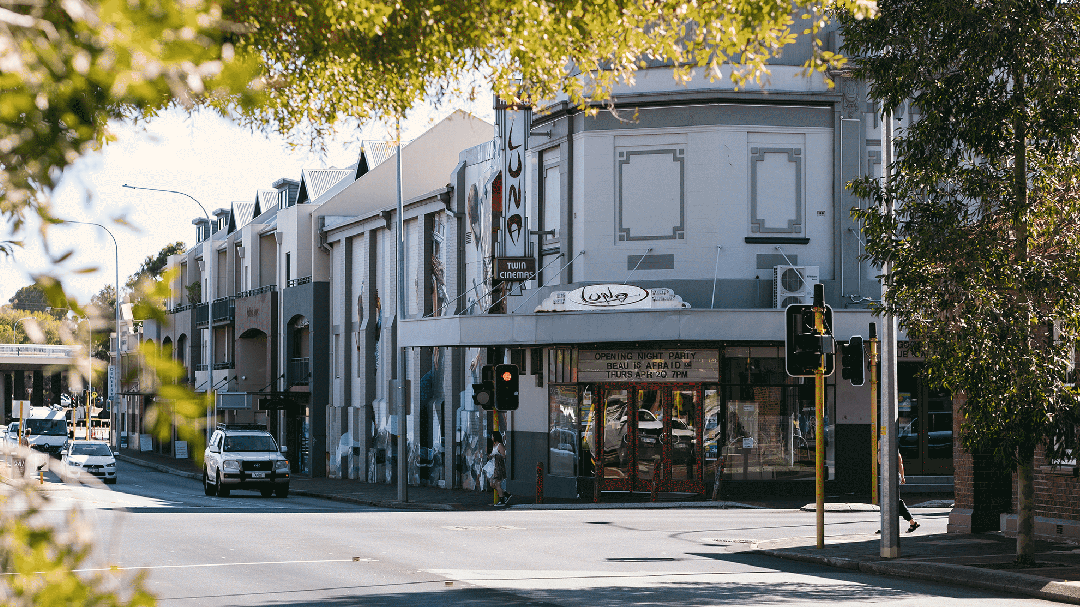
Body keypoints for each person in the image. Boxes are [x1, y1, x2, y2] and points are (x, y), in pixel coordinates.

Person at [898, 453, 920, 532]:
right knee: (893, 502)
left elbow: (879, 461)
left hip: (892, 478)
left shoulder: (892, 453)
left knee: (894, 502)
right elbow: (901, 466)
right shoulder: (896, 453)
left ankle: (912, 522)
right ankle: (912, 522)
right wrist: (902, 477)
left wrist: (902, 477)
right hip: (892, 478)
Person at [489, 431, 512, 506]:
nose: (491, 438)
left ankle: (502, 500)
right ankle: (506, 494)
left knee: (497, 483)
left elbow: (504, 455)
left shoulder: (500, 445)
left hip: (499, 467)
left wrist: (496, 456)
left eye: (492, 436)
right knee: (492, 484)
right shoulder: (494, 445)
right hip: (494, 467)